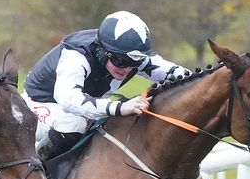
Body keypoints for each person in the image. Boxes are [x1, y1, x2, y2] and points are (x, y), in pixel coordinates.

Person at [24, 10, 190, 162]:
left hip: (81, 110)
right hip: (37, 106)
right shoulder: (76, 55)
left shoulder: (129, 56)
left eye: (134, 64)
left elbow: (177, 73)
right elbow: (68, 100)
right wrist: (119, 108)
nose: (125, 69)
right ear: (102, 50)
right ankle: (32, 172)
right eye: (119, 61)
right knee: (74, 122)